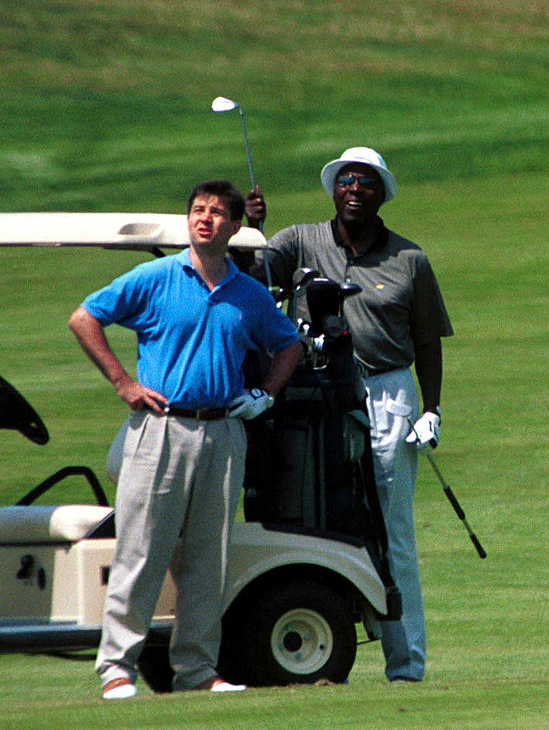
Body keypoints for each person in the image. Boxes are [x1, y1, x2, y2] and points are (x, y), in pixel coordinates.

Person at [69, 180, 303, 698]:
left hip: (223, 431)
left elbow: (289, 346)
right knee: (142, 549)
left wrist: (264, 394)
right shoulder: (156, 276)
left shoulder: (248, 292)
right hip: (161, 429)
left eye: (218, 213)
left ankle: (196, 669)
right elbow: (85, 317)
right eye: (198, 211)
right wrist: (123, 383)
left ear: (235, 226)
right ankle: (116, 668)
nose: (206, 219)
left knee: (207, 557)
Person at [248, 147, 453, 683]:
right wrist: (253, 228)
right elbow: (251, 273)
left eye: (365, 182)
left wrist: (431, 409)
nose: (354, 189)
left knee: (391, 529)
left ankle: (405, 664)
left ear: (381, 192)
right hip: (311, 394)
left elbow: (428, 341)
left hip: (387, 392)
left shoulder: (410, 259)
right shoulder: (298, 240)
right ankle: (313, 635)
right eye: (346, 181)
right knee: (313, 516)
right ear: (334, 190)